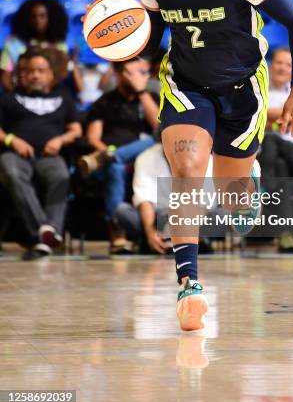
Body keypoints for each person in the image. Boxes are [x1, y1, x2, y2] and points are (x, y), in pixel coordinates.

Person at [138, 0, 293, 331]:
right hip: (186, 83)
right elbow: (152, 39)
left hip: (242, 87)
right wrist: (119, 37)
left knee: (235, 203)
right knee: (187, 169)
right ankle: (188, 285)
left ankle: (245, 176)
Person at [0, 49, 81, 259]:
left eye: (40, 70)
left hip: (49, 155)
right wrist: (12, 140)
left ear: (50, 74)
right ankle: (44, 233)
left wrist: (60, 140)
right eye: (30, 71)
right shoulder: (9, 98)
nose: (35, 75)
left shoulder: (64, 97)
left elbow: (76, 130)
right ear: (22, 75)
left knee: (61, 177)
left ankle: (47, 230)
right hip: (16, 154)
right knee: (11, 172)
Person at [79, 58, 159, 254]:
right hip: (107, 159)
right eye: (129, 73)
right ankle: (118, 234)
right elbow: (93, 138)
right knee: (115, 167)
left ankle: (116, 156)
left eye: (140, 73)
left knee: (156, 138)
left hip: (146, 159)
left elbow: (159, 127)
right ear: (117, 73)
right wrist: (107, 151)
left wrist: (141, 91)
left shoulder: (151, 98)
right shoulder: (104, 102)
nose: (135, 78)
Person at [115, 141, 213, 254]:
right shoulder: (146, 157)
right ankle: (155, 241)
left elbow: (204, 202)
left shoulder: (205, 158)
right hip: (157, 218)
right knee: (122, 211)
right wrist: (150, 232)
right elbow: (144, 199)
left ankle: (191, 241)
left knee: (222, 215)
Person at [258, 47, 293, 253]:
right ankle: (286, 235)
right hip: (272, 162)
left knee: (271, 138)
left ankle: (262, 191)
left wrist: (265, 115)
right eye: (279, 63)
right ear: (271, 66)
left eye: (288, 64)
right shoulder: (260, 91)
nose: (282, 68)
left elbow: (286, 117)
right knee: (278, 168)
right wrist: (280, 117)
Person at [0, 0, 68, 91]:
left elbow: (61, 76)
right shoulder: (13, 44)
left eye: (42, 16)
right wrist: (18, 98)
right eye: (33, 16)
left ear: (52, 18)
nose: (37, 20)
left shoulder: (60, 46)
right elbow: (5, 78)